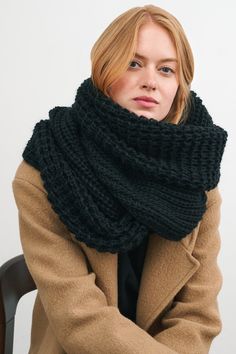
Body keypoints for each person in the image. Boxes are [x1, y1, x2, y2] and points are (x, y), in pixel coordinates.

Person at [12, 4, 228, 354]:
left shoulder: (196, 180)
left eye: (167, 70)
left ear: (179, 85)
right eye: (134, 63)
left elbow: (198, 316)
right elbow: (79, 317)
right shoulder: (47, 169)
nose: (150, 81)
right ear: (103, 69)